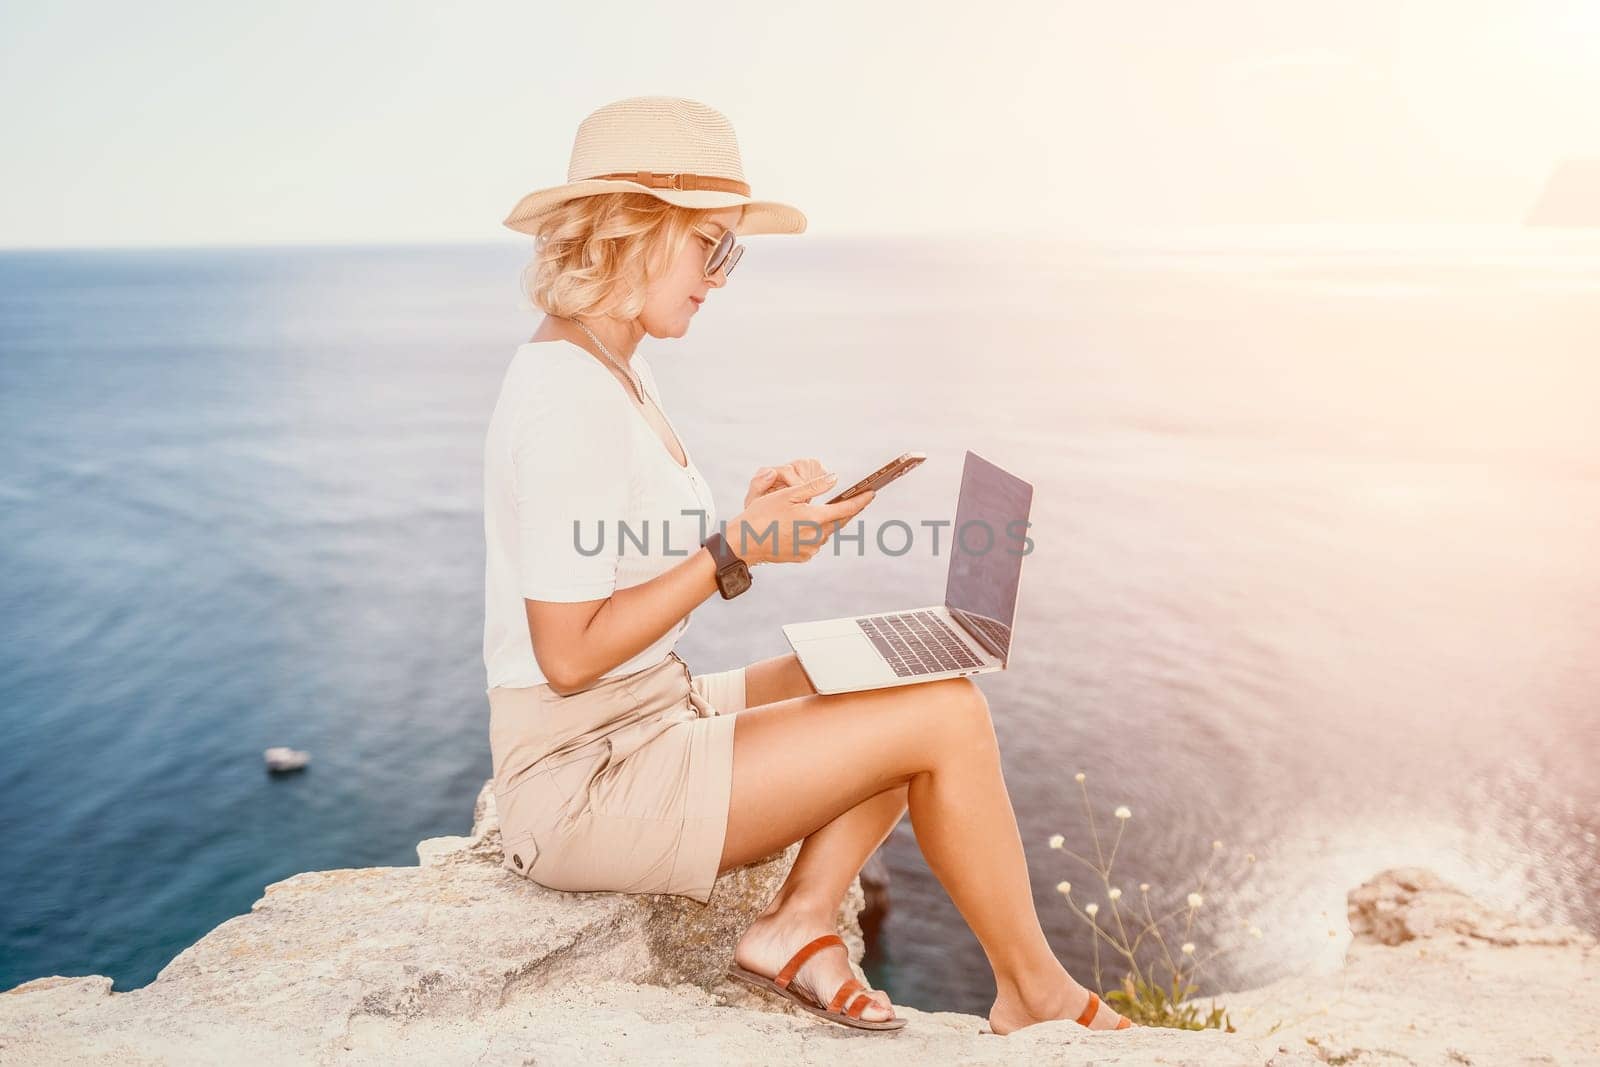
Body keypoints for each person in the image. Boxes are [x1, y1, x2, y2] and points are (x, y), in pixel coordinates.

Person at [484, 96, 1134, 1036]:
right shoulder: (567, 395)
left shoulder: (613, 361)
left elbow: (629, 562)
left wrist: (756, 523)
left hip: (646, 710)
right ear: (633, 227)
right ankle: (1036, 994)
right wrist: (736, 547)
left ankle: (798, 919)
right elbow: (569, 655)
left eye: (729, 253)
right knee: (944, 715)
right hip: (588, 773)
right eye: (712, 246)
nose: (720, 277)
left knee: (899, 660)